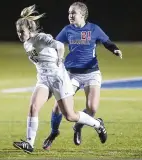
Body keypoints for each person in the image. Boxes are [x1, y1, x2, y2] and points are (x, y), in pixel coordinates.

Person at [13, 4, 107, 154]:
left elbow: (59, 45)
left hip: (59, 79)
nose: (19, 34)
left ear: (30, 30)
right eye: (17, 31)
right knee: (33, 107)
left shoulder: (41, 38)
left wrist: (60, 58)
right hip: (43, 80)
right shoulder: (26, 44)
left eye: (21, 31)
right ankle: (29, 143)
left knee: (70, 116)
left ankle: (97, 124)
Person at [42, 2, 122, 150]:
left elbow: (107, 42)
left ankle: (78, 126)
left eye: (73, 13)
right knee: (57, 108)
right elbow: (55, 44)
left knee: (92, 108)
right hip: (71, 74)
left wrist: (115, 49)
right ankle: (53, 133)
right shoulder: (67, 30)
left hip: (91, 73)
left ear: (83, 15)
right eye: (69, 13)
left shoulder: (94, 29)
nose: (70, 16)